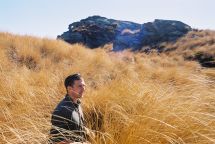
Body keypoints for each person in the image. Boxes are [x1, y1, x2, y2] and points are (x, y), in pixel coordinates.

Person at [49, 73, 91, 144]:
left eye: (84, 85)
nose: (83, 89)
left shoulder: (78, 104)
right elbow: (57, 141)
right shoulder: (62, 110)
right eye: (79, 86)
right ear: (69, 88)